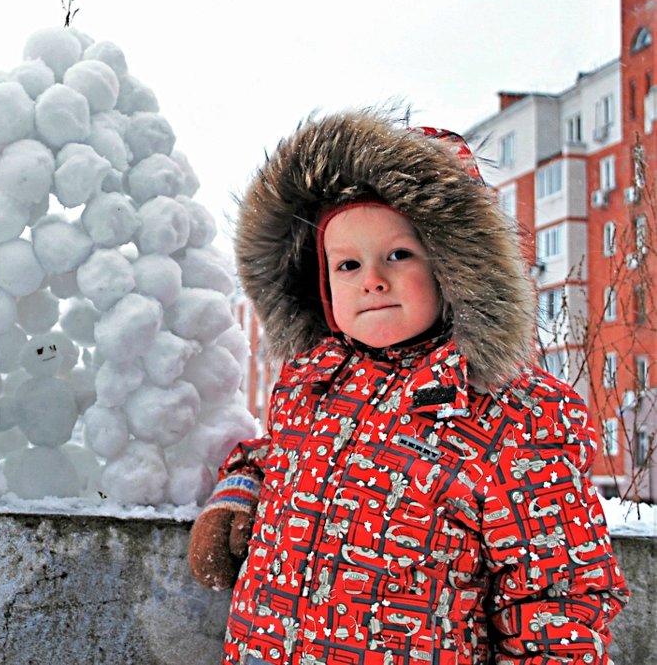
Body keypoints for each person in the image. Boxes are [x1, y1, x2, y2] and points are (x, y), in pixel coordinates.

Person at [188, 110, 630, 664]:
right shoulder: (313, 384)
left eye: (398, 254)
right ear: (320, 285)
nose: (372, 278)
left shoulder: (515, 418)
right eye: (347, 265)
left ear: (454, 269)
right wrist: (238, 493)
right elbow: (283, 457)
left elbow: (557, 600)